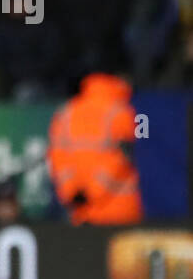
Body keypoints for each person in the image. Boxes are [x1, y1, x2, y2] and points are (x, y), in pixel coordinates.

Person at [46, 73, 143, 225]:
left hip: (80, 210)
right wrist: (94, 190)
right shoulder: (122, 112)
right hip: (120, 210)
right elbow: (122, 158)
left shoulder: (65, 113)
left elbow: (57, 159)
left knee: (82, 249)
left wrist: (71, 192)